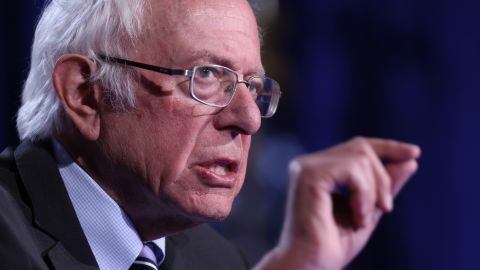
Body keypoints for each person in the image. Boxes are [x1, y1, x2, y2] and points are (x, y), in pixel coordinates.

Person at [0, 0, 421, 269]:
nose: (249, 120)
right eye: (205, 77)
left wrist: (299, 263)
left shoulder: (213, 259)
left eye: (251, 87)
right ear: (85, 94)